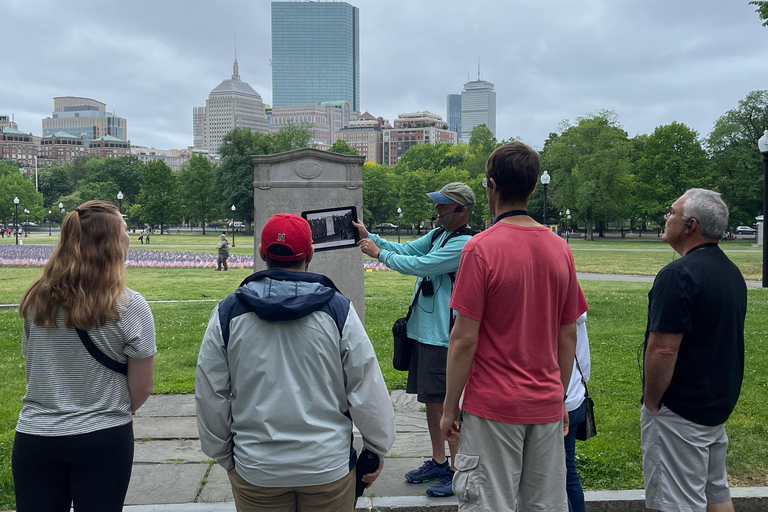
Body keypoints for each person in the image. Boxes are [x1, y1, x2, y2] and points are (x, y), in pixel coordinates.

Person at [195, 213, 395, 512]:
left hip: (257, 467)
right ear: (311, 254)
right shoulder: (338, 311)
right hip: (325, 465)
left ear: (262, 253)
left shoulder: (228, 313)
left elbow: (210, 392)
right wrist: (376, 447)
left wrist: (224, 455)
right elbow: (366, 385)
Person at [440, 141, 588, 511]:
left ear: (492, 185)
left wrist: (448, 408)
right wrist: (557, 396)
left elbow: (463, 340)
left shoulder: (480, 249)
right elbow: (567, 332)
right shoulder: (560, 248)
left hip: (493, 406)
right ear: (533, 187)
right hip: (545, 406)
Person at [12, 200, 156, 512]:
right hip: (103, 436)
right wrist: (102, 410)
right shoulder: (130, 306)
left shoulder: (36, 300)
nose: (130, 237)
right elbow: (142, 388)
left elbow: (34, 366)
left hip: (36, 435)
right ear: (113, 243)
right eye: (126, 231)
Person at [352, 182, 476, 498]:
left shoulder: (462, 244)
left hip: (442, 338)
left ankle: (456, 469)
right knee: (431, 402)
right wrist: (370, 236)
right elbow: (408, 249)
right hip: (424, 334)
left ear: (460, 211)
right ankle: (438, 460)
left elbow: (420, 265)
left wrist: (378, 254)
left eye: (442, 206)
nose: (436, 211)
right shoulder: (438, 236)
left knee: (449, 406)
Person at [642, 189, 746, 512]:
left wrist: (653, 402)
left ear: (690, 225)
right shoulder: (732, 274)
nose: (665, 217)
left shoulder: (678, 275)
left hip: (680, 413)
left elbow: (662, 350)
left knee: (677, 503)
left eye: (671, 212)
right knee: (717, 494)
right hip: (714, 408)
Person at [564, 312, 590, 512]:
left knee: (550, 478)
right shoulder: (576, 307)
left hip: (557, 400)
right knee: (568, 472)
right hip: (576, 396)